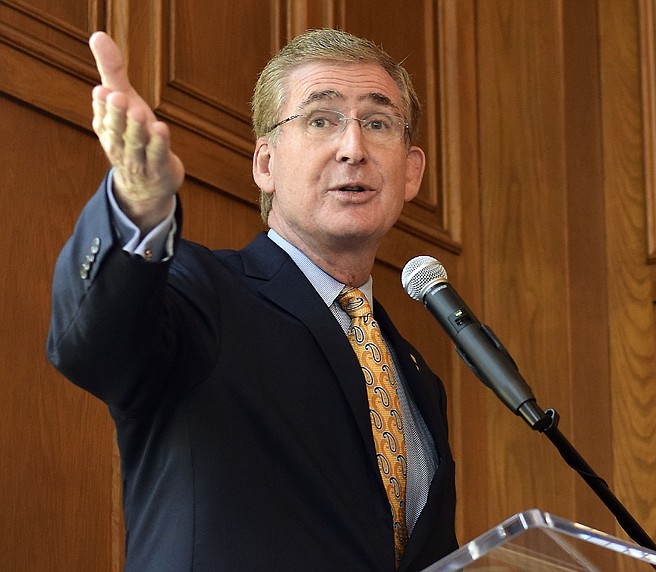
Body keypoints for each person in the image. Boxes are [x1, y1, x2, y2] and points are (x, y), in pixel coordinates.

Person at [47, 28, 457, 571]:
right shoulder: (200, 293)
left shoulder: (418, 377)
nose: (353, 147)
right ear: (265, 164)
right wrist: (138, 208)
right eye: (320, 120)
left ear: (411, 172)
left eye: (378, 123)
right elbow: (91, 346)